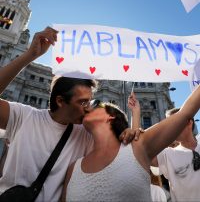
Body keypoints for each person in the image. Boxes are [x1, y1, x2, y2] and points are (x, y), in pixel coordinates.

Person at [0, 27, 137, 202]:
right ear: (60, 101)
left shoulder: (85, 135)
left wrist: (129, 132)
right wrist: (28, 56)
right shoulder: (23, 116)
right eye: (82, 102)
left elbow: (123, 155)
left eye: (90, 101)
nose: (88, 108)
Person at [61, 86, 200, 202]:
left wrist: (135, 116)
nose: (86, 107)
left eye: (94, 103)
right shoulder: (73, 168)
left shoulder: (137, 147)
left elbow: (185, 113)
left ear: (111, 117)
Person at [151, 107, 200, 201]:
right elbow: (141, 152)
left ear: (189, 123)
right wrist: (136, 114)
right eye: (169, 125)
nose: (171, 129)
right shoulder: (167, 155)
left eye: (175, 123)